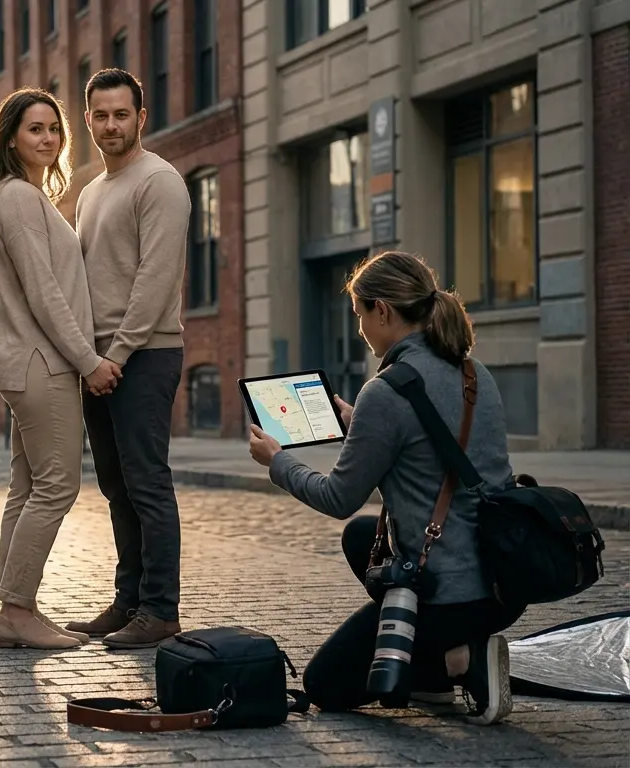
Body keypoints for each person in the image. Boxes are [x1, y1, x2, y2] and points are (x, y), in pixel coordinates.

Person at [247, 251, 526, 726]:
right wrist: (362, 425)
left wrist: (278, 462)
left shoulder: (386, 392)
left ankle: (459, 661)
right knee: (361, 537)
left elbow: (338, 497)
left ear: (384, 311)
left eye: (360, 316)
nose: (359, 330)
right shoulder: (476, 373)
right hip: (504, 583)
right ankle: (440, 670)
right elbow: (436, 451)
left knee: (325, 685)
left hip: (447, 593)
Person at [0, 86, 122, 651]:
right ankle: (15, 610)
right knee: (57, 486)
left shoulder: (18, 197)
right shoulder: (19, 199)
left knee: (28, 486)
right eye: (36, 128)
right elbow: (45, 294)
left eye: (55, 129)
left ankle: (17, 609)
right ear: (11, 137)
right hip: (44, 363)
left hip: (25, 362)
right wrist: (88, 361)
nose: (48, 138)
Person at [65, 69, 193, 649]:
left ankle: (161, 611)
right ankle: (129, 600)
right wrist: (87, 356)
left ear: (141, 118)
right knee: (116, 487)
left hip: (144, 354)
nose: (110, 125)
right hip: (101, 359)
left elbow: (155, 280)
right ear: (86, 120)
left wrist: (114, 354)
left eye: (121, 114)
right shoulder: (91, 192)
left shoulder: (160, 182)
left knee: (147, 485)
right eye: (100, 115)